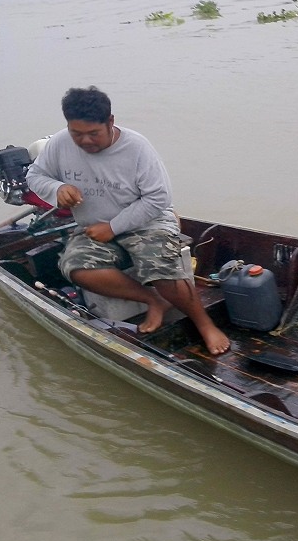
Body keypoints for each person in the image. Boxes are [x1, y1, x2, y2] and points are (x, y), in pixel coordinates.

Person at [26, 86, 230, 355]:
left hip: (148, 222)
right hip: (94, 226)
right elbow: (35, 176)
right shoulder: (60, 144)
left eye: (93, 133)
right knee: (75, 266)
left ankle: (204, 324)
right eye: (77, 134)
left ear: (110, 122)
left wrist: (113, 227)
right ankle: (153, 300)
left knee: (161, 267)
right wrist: (57, 189)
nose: (85, 141)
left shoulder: (136, 147)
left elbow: (158, 199)